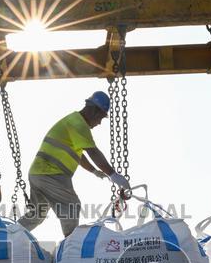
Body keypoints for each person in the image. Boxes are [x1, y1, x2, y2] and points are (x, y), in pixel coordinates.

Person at [18, 91, 131, 237]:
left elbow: (79, 155)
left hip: (38, 174)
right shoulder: (79, 124)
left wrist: (93, 171)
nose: (99, 123)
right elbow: (93, 152)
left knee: (37, 214)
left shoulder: (73, 122)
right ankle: (71, 248)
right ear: (94, 111)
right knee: (71, 205)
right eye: (101, 118)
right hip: (51, 173)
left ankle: (8, 235)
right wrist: (113, 174)